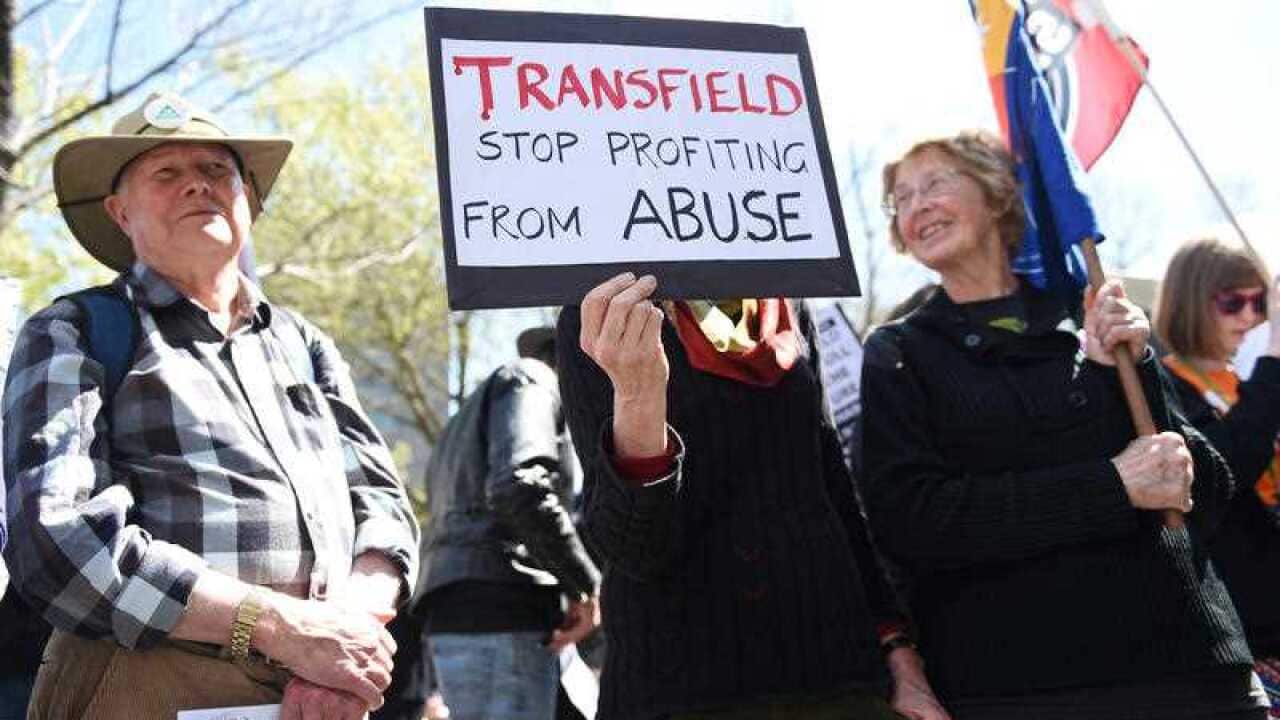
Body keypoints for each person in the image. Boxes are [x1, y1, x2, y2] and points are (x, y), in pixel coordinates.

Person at [1, 92, 419, 720]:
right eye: (167, 174)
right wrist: (284, 631)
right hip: (146, 683)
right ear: (120, 212)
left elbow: (385, 511)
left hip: (323, 695)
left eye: (217, 171)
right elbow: (60, 543)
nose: (198, 185)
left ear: (247, 200)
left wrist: (340, 640)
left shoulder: (305, 344)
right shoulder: (77, 329)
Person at [858, 129, 1266, 720]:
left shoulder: (1093, 323)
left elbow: (1204, 489)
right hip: (1027, 688)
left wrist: (1134, 369)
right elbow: (913, 520)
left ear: (998, 194)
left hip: (1195, 678)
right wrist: (1110, 488)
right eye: (902, 198)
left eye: (937, 183)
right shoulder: (901, 352)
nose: (916, 205)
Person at [557, 280, 949, 720]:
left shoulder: (789, 299)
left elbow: (832, 488)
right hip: (681, 692)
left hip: (839, 681)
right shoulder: (604, 314)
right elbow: (634, 550)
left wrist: (897, 648)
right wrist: (637, 397)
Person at [418, 326, 601, 720]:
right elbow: (520, 487)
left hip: (463, 611)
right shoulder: (533, 379)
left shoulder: (463, 422)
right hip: (502, 612)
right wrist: (585, 585)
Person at [1155, 236, 1280, 715]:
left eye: (1260, 302)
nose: (1250, 317)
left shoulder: (1251, 380)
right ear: (1193, 302)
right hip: (1238, 625)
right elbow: (1229, 466)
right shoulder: (1162, 385)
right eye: (1233, 303)